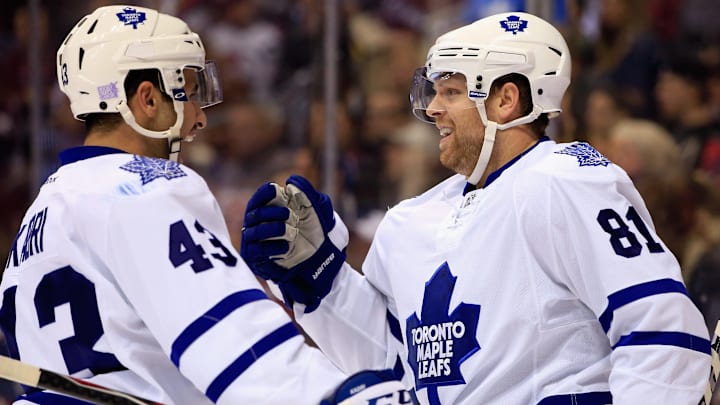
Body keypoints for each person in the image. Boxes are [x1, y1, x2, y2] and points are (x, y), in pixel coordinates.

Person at [241, 12, 712, 404]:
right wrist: (322, 278)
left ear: (506, 100)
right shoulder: (410, 219)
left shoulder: (565, 181)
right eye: (434, 93)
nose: (432, 110)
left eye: (451, 92)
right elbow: (397, 364)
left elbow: (661, 330)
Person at [0, 5, 412, 405]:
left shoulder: (42, 210)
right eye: (190, 93)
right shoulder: (149, 188)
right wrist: (328, 395)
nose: (198, 118)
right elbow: (226, 332)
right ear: (147, 99)